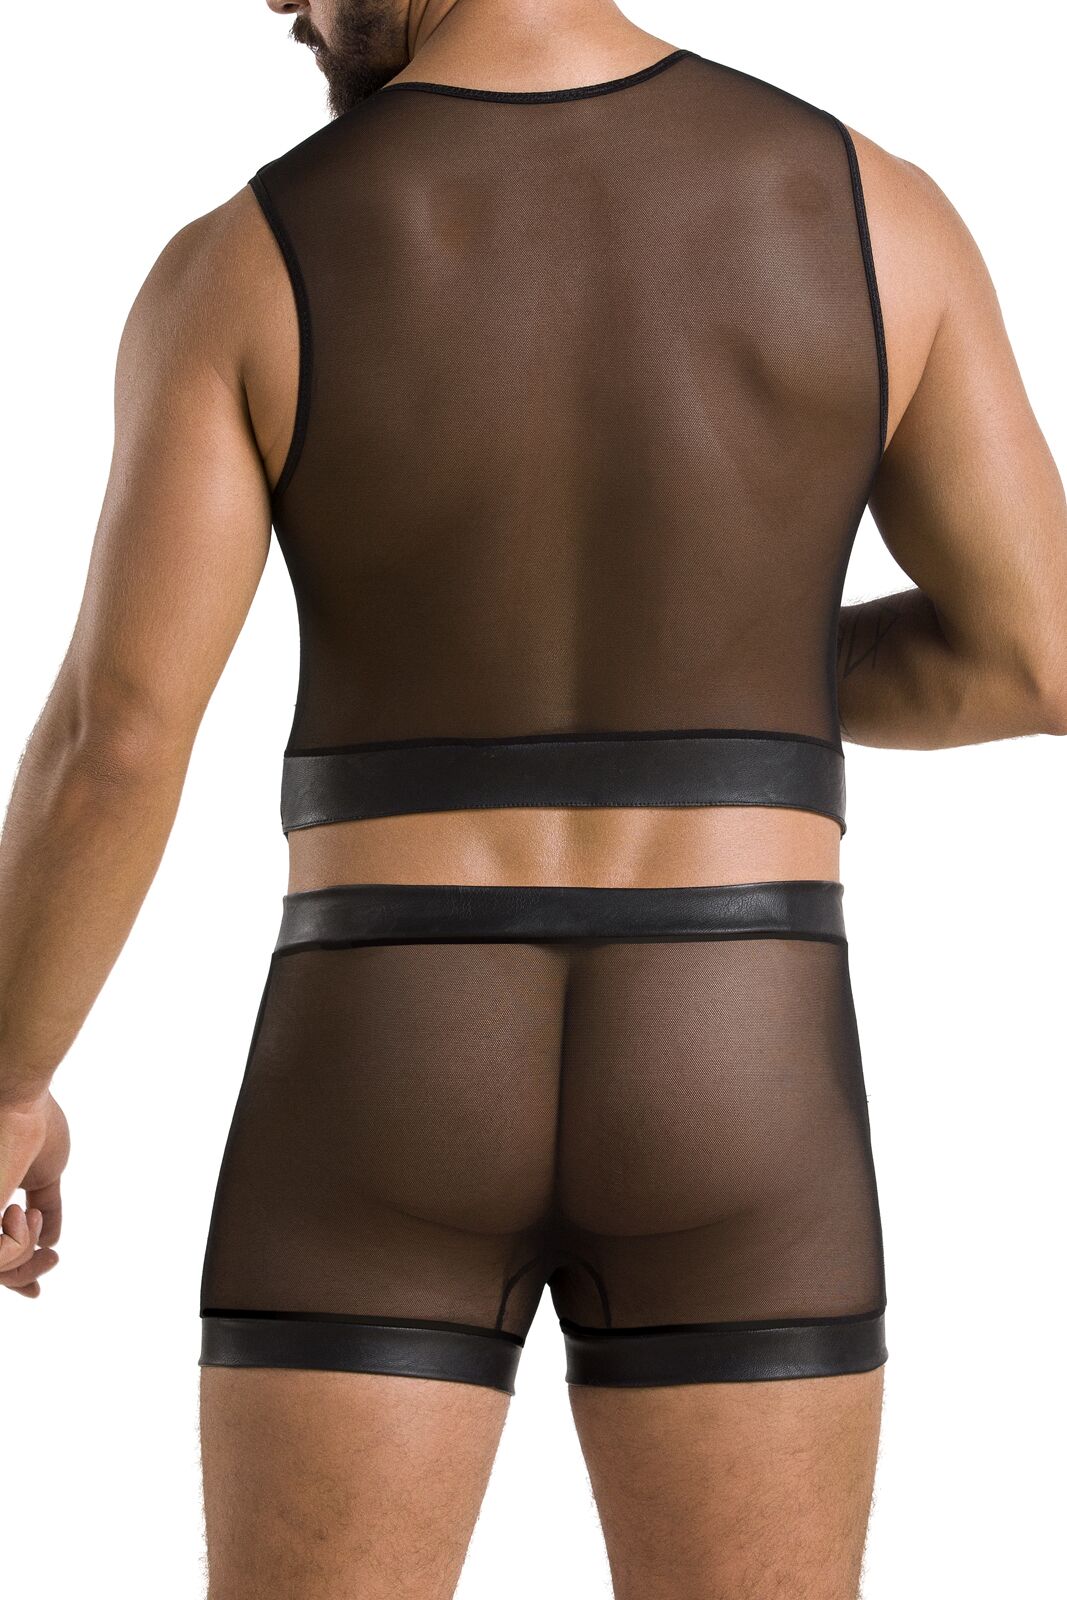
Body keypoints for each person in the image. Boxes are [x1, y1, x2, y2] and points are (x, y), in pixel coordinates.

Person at [1, 2, 1064, 1596]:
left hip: (387, 1051)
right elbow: (1037, 659)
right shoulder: (875, 212)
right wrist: (722, 685)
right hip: (741, 1049)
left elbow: (118, 740)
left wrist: (7, 1078)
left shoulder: (245, 261)